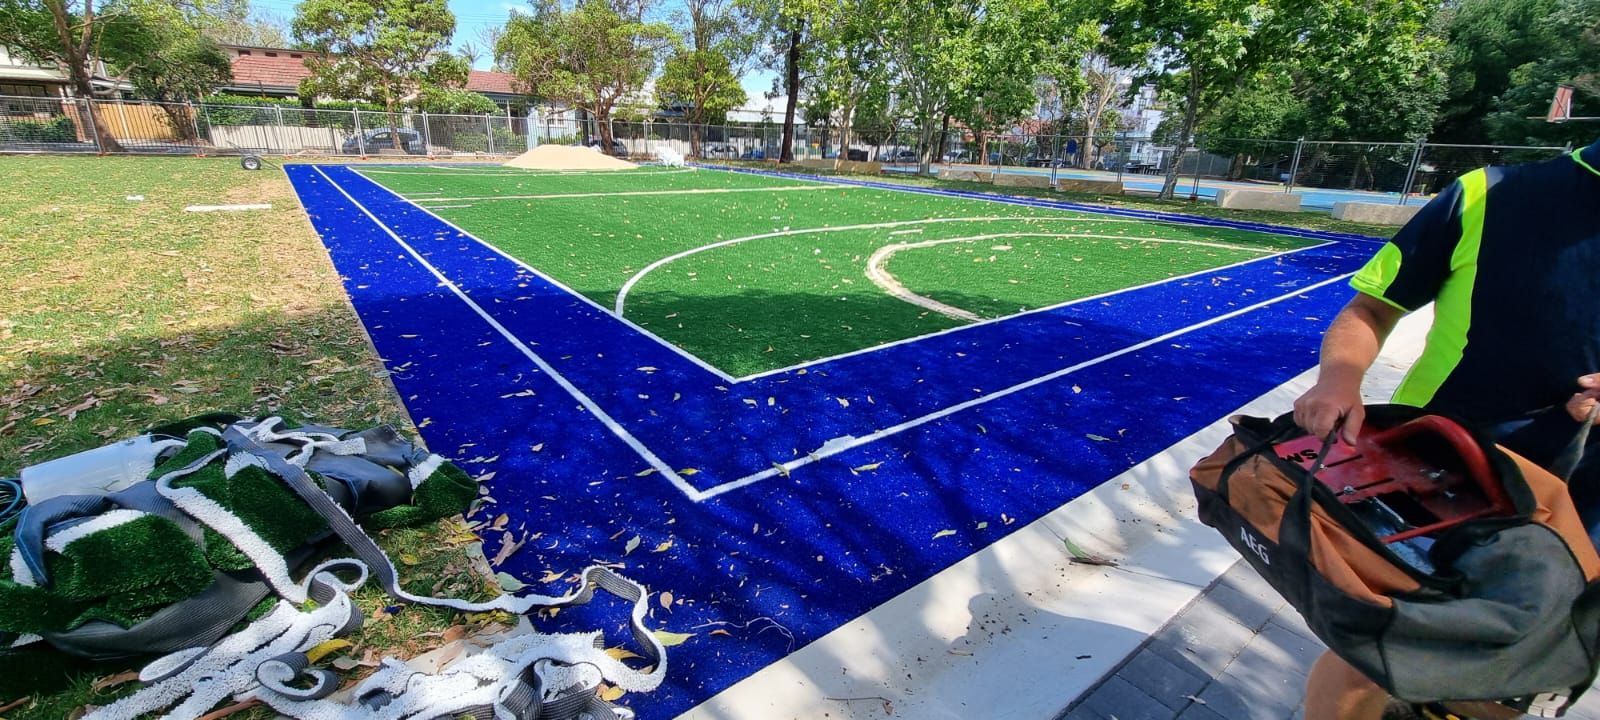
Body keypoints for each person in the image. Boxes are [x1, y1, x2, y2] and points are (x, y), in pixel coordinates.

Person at [1293, 137, 1600, 720]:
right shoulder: (1491, 195)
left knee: (1511, 680)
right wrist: (1337, 380)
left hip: (1587, 513)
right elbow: (1370, 308)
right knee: (1375, 659)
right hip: (1446, 479)